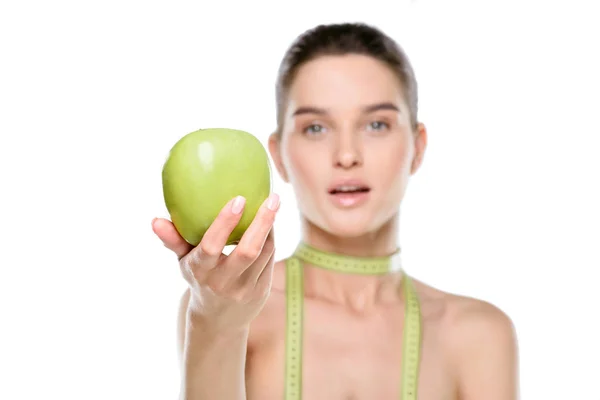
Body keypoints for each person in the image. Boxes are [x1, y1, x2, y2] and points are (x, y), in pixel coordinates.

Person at [152, 22, 519, 400]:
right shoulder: (231, 308)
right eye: (315, 128)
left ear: (417, 147)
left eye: (376, 124)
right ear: (278, 157)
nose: (347, 156)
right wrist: (216, 322)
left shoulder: (479, 336)